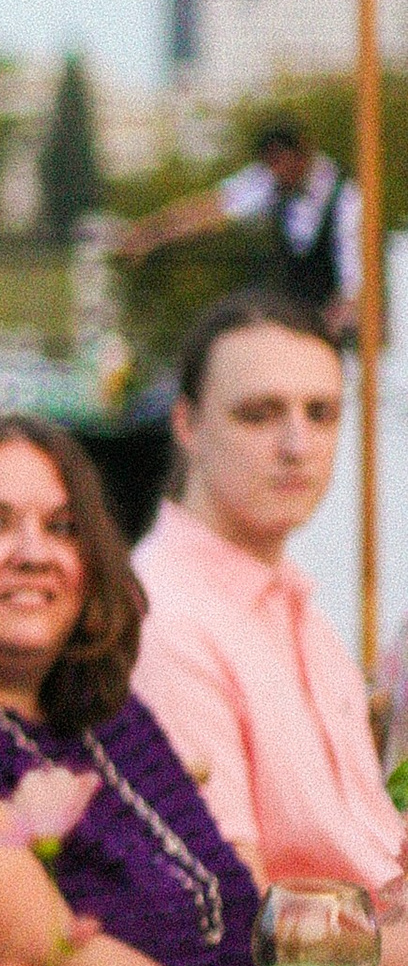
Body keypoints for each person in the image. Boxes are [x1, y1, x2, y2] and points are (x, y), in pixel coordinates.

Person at [0, 415, 397, 966]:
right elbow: (63, 959)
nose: (34, 553)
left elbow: (227, 917)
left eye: (62, 527)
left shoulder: (107, 712)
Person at [131, 291, 408, 915]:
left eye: (322, 413)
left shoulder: (294, 603)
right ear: (188, 424)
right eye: (259, 414)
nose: (296, 444)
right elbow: (246, 930)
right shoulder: (169, 623)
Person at [112, 114, 360, 331]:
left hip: (336, 323)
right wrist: (148, 234)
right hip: (295, 316)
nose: (275, 173)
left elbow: (354, 281)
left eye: (280, 163)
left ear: (302, 154)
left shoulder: (346, 199)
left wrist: (330, 326)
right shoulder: (271, 181)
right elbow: (210, 210)